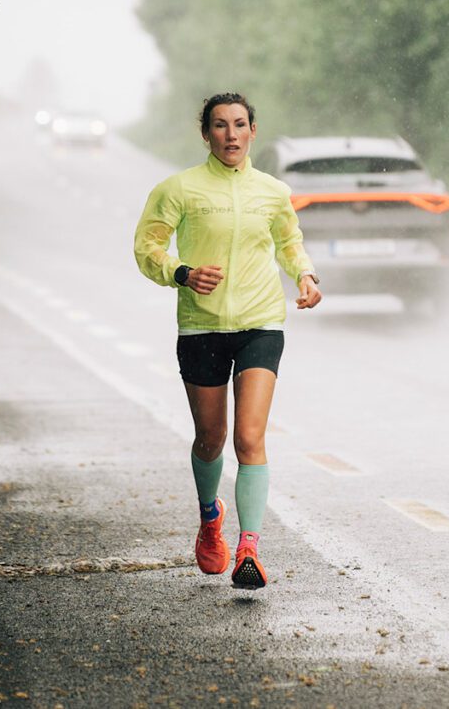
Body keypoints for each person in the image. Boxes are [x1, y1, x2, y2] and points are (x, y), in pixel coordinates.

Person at [133, 92, 321, 590]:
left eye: (240, 124)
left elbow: (288, 241)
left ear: (253, 131)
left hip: (261, 322)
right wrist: (181, 272)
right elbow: (147, 246)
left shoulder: (273, 191)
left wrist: (305, 275)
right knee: (211, 439)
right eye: (220, 125)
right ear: (206, 134)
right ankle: (209, 517)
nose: (231, 134)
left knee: (250, 438)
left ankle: (250, 549)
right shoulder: (179, 189)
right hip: (202, 326)